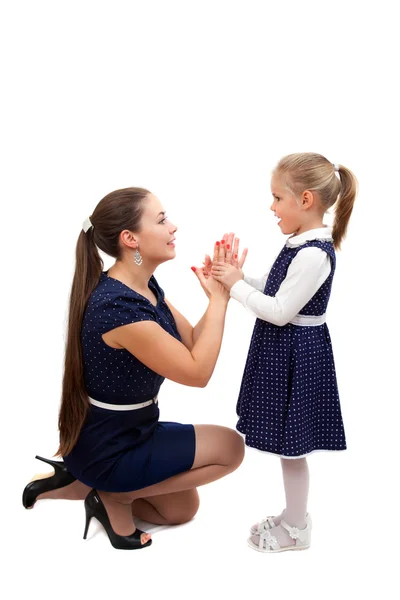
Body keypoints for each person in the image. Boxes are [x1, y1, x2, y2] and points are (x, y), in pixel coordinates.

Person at [22, 187, 245, 550]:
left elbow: (191, 342)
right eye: (161, 220)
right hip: (108, 444)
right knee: (231, 448)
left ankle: (83, 482)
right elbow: (197, 372)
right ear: (130, 239)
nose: (173, 227)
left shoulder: (142, 284)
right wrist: (222, 299)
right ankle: (113, 495)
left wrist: (215, 298)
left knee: (182, 509)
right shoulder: (118, 309)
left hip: (136, 429)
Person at [211, 152, 358, 553]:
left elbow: (279, 312)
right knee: (286, 446)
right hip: (285, 353)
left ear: (305, 200)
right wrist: (240, 278)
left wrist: (237, 289)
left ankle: (296, 527)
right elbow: (279, 288)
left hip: (296, 355)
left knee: (292, 448)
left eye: (277, 198)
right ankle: (293, 515)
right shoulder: (299, 244)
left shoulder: (312, 254)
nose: (272, 207)